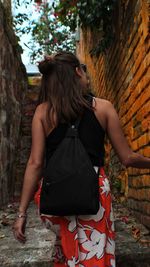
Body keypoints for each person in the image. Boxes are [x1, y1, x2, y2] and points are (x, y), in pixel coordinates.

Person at [12, 51, 150, 267]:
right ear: (77, 72)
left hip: (57, 193)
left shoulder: (43, 112)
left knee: (68, 253)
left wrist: (21, 214)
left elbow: (35, 163)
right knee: (94, 254)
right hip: (92, 191)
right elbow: (128, 158)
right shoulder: (103, 107)